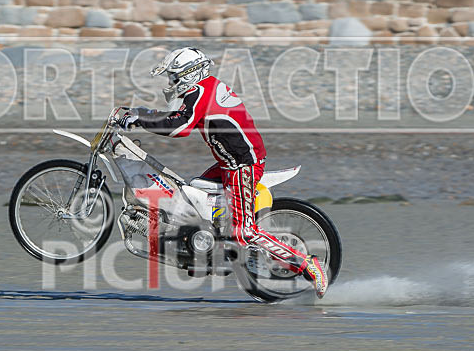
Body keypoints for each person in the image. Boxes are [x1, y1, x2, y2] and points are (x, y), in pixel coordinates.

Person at [120, 47, 327, 298]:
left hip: (241, 166)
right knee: (193, 196)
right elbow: (177, 116)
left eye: (173, 77)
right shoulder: (204, 88)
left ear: (188, 74)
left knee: (244, 231)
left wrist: (139, 121)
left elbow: (179, 127)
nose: (170, 82)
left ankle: (306, 264)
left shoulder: (200, 92)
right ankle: (211, 247)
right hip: (232, 162)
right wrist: (140, 113)